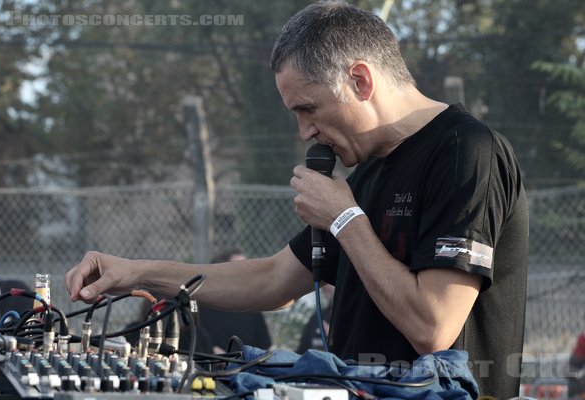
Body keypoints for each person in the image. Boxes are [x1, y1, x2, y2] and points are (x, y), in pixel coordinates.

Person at [65, 1, 529, 397]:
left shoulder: (467, 152)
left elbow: (433, 327)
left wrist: (346, 219)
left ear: (361, 81)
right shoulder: (365, 172)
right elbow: (272, 280)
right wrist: (135, 273)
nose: (305, 131)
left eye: (308, 108)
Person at [198, 248, 272, 353]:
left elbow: (265, 346)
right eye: (241, 267)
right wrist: (212, 350)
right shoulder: (203, 305)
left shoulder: (251, 306)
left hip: (247, 366)